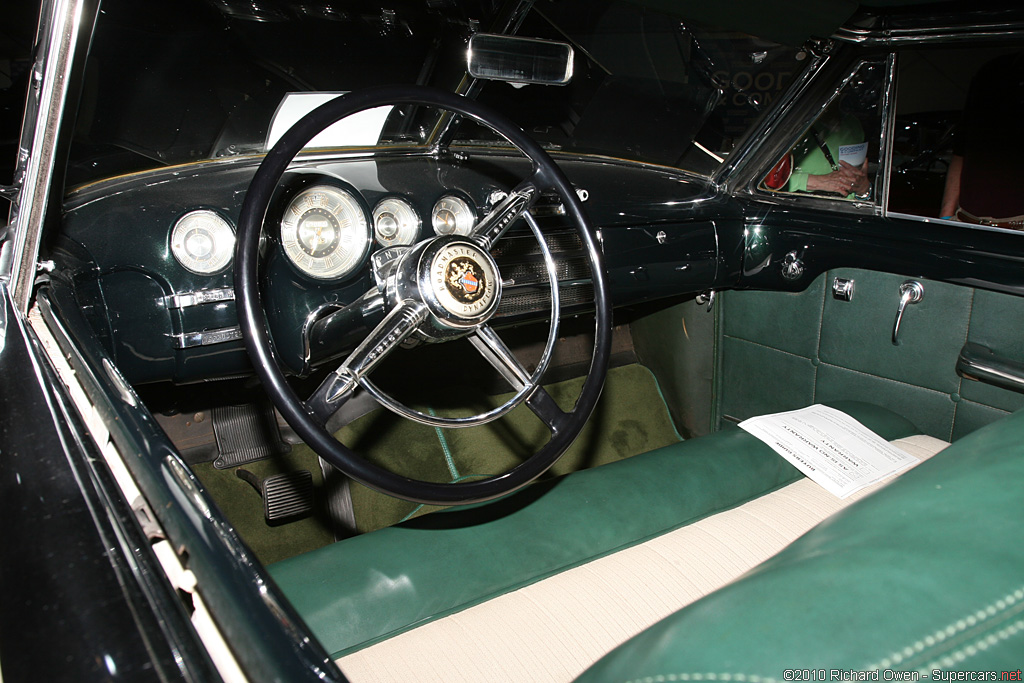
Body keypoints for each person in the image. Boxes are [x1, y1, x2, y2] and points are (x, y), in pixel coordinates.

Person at [940, 51, 1024, 227]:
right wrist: (946, 219)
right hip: (967, 222)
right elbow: (961, 152)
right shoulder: (992, 71)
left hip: (1016, 228)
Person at [764, 104, 871, 199]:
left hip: (845, 212)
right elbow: (762, 178)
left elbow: (857, 187)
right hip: (800, 209)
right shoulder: (792, 125)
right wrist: (814, 182)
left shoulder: (853, 123)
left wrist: (863, 190)